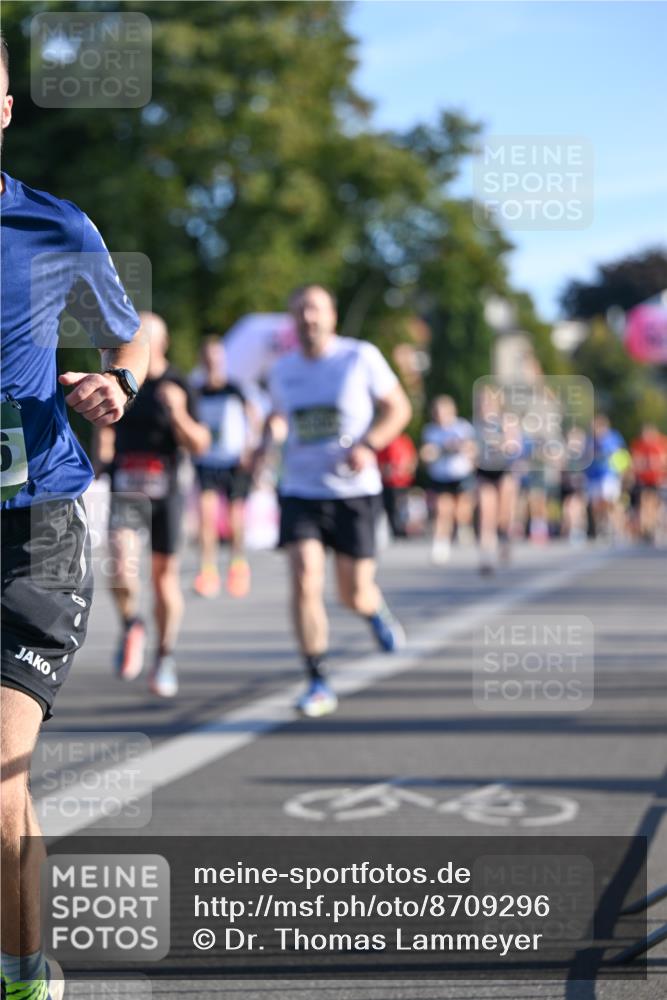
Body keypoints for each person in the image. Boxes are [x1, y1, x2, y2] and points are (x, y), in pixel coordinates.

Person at [0, 34, 149, 1000]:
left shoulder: (55, 227)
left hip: (34, 531)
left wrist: (118, 383)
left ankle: (23, 974)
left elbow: (133, 330)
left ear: (6, 107)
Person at [263, 284, 412, 717]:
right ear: (292, 321)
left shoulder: (359, 356)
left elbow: (398, 408)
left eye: (315, 310)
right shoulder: (283, 369)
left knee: (353, 592)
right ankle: (317, 679)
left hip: (354, 492)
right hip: (301, 490)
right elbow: (277, 416)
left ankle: (374, 610)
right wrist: (264, 442)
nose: (308, 318)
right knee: (305, 576)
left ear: (332, 315)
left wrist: (371, 444)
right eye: (299, 312)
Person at [97, 312, 210, 698]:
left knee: (163, 581)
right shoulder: (123, 381)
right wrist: (102, 456)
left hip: (168, 490)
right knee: (119, 564)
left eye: (143, 337)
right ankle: (132, 623)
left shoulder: (179, 384)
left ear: (160, 343)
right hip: (127, 485)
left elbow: (201, 444)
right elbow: (106, 430)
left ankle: (164, 655)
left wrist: (177, 412)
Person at [190, 335, 256, 597]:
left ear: (222, 359)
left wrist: (249, 448)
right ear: (202, 360)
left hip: (234, 459)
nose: (212, 362)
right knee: (205, 517)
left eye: (216, 356)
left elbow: (253, 417)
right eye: (207, 357)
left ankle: (238, 565)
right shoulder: (196, 391)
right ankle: (207, 571)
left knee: (235, 517)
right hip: (207, 460)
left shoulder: (234, 388)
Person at [420, 395, 476, 564]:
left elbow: (471, 448)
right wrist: (436, 451)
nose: (440, 415)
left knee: (461, 511)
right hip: (441, 476)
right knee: (442, 510)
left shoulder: (462, 427)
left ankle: (464, 526)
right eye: (437, 412)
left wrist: (459, 447)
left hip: (460, 474)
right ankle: (440, 545)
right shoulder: (430, 431)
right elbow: (426, 454)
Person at [474, 384, 521, 575]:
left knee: (503, 513)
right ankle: (486, 556)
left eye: (489, 402)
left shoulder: (506, 421)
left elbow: (514, 445)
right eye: (483, 402)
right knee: (486, 512)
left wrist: (503, 445)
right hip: (484, 471)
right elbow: (471, 447)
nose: (485, 406)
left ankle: (504, 537)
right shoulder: (477, 424)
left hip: (504, 470)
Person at [585, 414, 626, 541]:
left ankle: (617, 528)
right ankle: (600, 528)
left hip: (609, 475)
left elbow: (621, 456)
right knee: (596, 505)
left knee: (611, 502)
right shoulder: (590, 440)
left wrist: (622, 472)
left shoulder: (613, 438)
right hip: (594, 477)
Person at [630, 423, 667, 544]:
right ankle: (646, 529)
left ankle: (655, 527)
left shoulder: (661, 443)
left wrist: (655, 464)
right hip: (644, 480)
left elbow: (663, 461)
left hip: (657, 479)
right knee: (644, 503)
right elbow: (636, 462)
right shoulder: (639, 445)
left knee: (655, 504)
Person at [377, 433, 417, 539]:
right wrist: (385, 470)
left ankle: (403, 529)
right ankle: (395, 530)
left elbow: (411, 458)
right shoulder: (383, 440)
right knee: (391, 507)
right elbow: (380, 460)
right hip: (388, 482)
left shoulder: (404, 439)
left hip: (404, 481)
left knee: (402, 506)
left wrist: (409, 469)